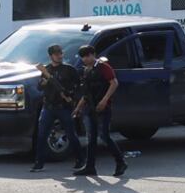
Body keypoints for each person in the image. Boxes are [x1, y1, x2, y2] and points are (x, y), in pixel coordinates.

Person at [73, 45, 127, 177]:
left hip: (103, 107)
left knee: (104, 136)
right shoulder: (85, 71)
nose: (85, 59)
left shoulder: (103, 67)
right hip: (89, 108)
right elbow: (86, 93)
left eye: (87, 55)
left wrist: (104, 100)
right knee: (91, 138)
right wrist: (78, 108)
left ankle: (120, 162)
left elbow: (114, 83)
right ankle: (90, 167)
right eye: (83, 57)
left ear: (93, 54)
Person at [31, 44, 83, 172]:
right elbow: (40, 87)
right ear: (51, 56)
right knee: (42, 135)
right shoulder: (46, 70)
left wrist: (73, 98)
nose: (59, 56)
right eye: (56, 54)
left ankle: (80, 160)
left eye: (60, 53)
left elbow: (79, 86)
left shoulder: (69, 70)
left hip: (64, 107)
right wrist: (44, 81)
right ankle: (39, 163)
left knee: (71, 134)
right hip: (48, 106)